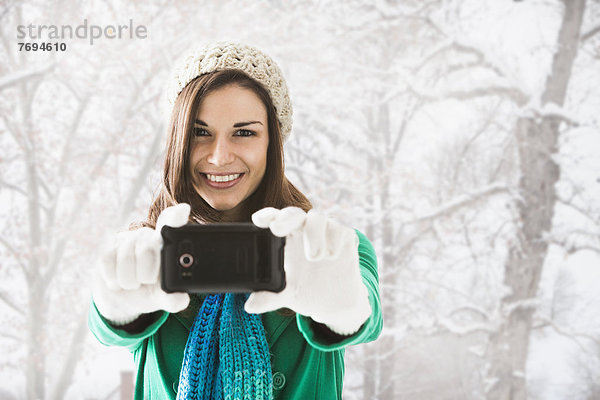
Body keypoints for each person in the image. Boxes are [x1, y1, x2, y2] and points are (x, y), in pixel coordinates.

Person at [89, 41, 382, 400]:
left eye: (244, 132)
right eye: (200, 132)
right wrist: (115, 306)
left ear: (273, 142)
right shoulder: (148, 251)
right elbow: (105, 323)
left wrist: (344, 306)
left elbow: (365, 316)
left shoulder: (328, 250)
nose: (219, 156)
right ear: (178, 141)